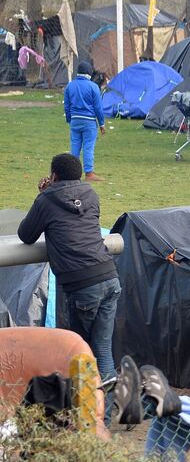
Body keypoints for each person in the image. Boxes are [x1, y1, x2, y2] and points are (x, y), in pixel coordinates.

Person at [18, 154, 121, 379]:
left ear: (53, 175)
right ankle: (105, 411)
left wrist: (44, 194)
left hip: (82, 284)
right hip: (109, 276)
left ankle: (84, 409)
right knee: (102, 350)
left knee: (79, 352)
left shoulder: (46, 200)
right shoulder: (91, 194)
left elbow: (26, 235)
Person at [64, 61, 106, 181]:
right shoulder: (93, 87)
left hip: (75, 121)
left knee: (75, 147)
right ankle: (89, 174)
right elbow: (98, 107)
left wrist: (69, 119)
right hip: (89, 122)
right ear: (89, 73)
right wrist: (101, 124)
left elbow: (67, 106)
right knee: (88, 146)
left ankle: (72, 174)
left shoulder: (70, 85)